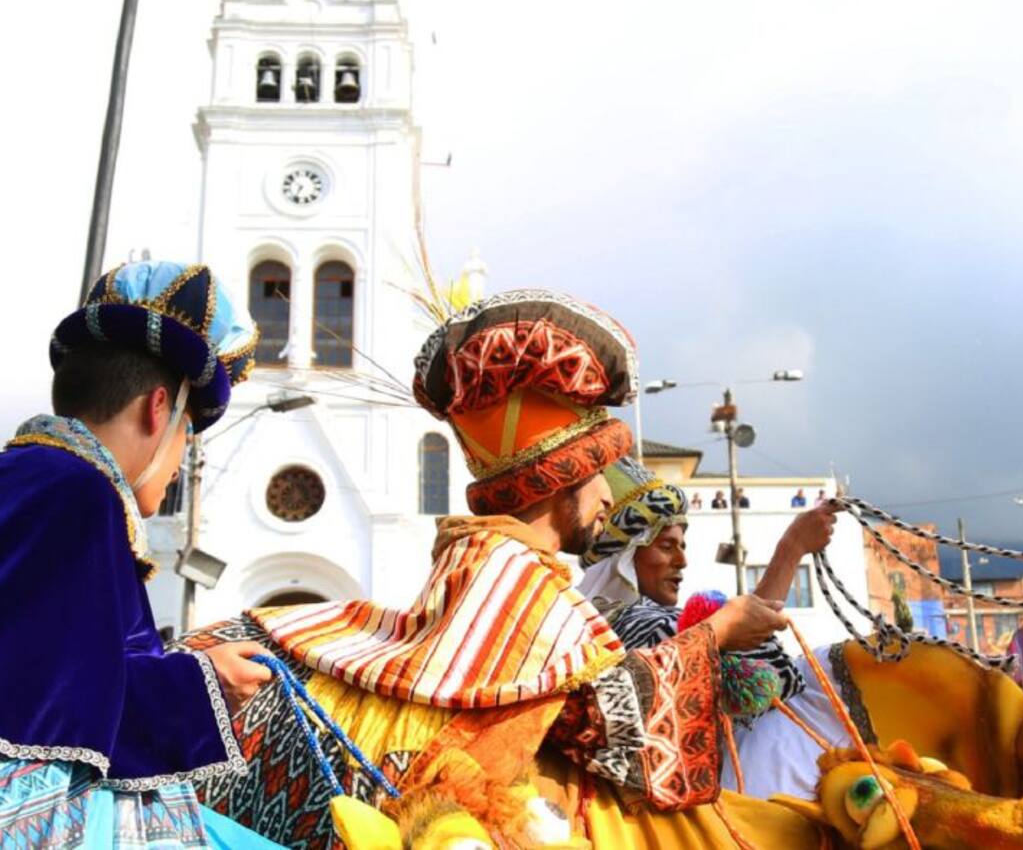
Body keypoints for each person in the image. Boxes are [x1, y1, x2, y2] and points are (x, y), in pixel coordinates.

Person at [183, 290, 818, 847]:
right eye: (595, 474)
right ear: (560, 481)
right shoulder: (512, 573)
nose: (604, 497)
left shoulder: (492, 558)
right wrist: (722, 632)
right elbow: (599, 720)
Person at [0, 262, 277, 847]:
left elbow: (17, 669)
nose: (179, 465)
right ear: (158, 409)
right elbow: (59, 711)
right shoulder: (79, 496)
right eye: (187, 433)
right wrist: (206, 680)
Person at [579, 457, 838, 705]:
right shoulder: (646, 626)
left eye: (682, 546)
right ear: (624, 557)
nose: (682, 560)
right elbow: (770, 681)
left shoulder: (580, 624)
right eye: (667, 546)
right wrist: (792, 548)